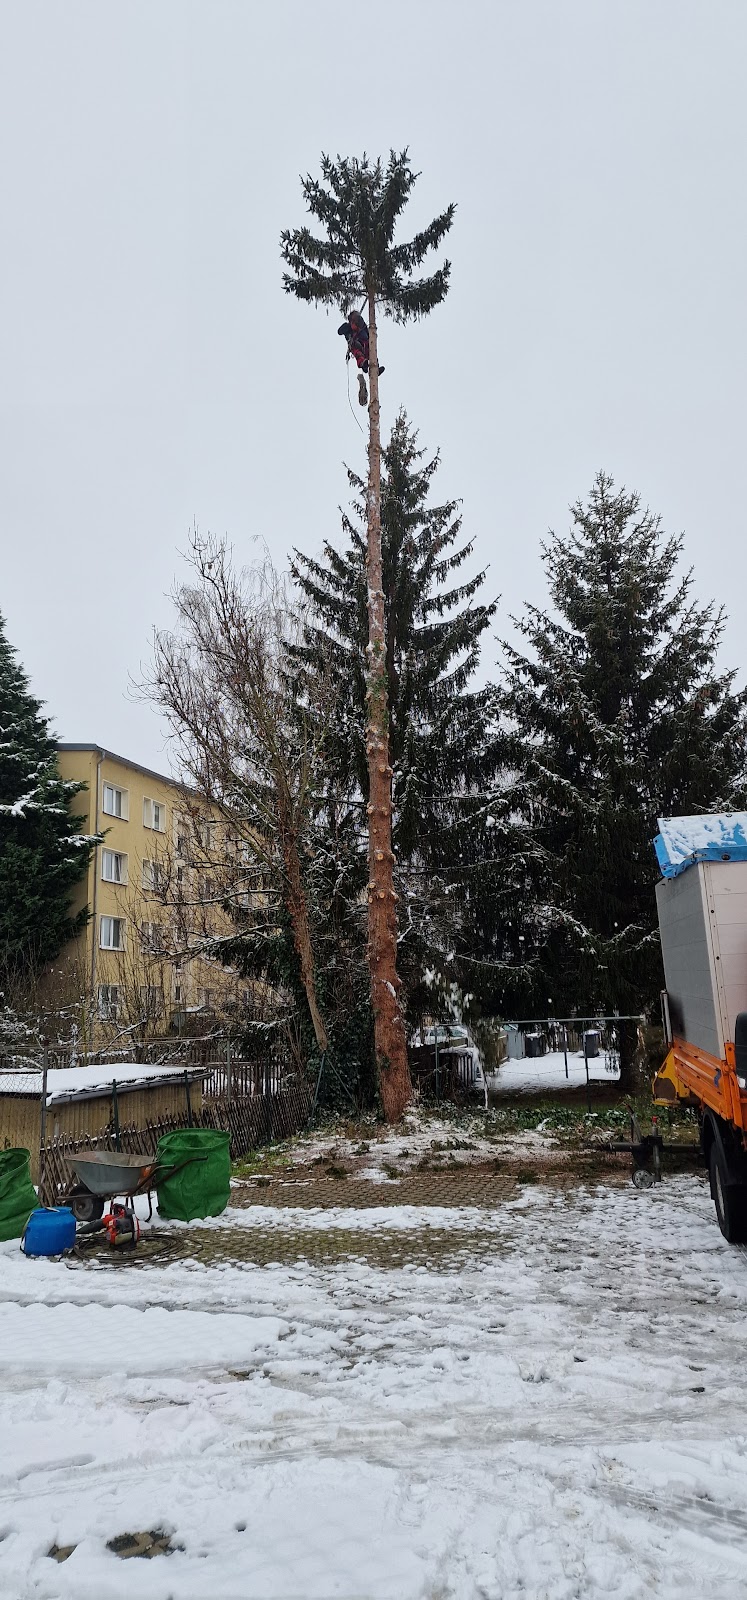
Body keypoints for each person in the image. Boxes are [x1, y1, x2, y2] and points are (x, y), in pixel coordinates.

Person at [338, 309, 384, 405]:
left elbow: (369, 335)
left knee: (372, 354)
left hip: (365, 343)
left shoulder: (362, 326)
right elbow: (340, 331)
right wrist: (348, 327)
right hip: (356, 343)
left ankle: (374, 369)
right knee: (359, 353)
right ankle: (363, 364)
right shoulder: (349, 328)